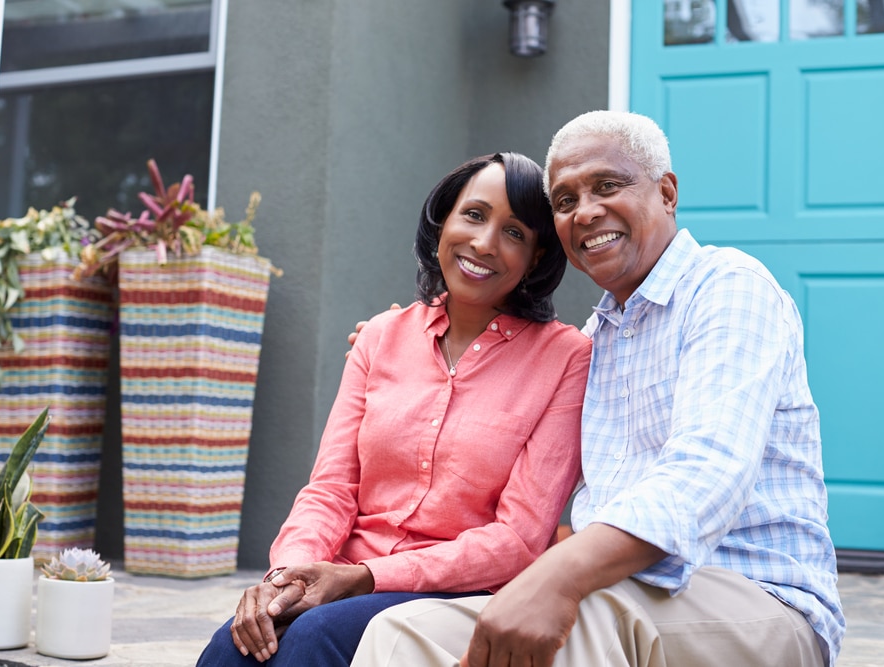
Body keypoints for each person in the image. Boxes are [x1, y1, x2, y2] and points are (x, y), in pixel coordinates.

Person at [350, 110, 846, 667]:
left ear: (666, 192)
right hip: (621, 589)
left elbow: (705, 474)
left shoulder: (728, 287)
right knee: (402, 633)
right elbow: (487, 413)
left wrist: (558, 577)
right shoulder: (594, 341)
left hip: (756, 596)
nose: (585, 212)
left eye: (607, 186)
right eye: (564, 201)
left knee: (582, 624)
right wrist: (407, 346)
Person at [195, 152, 591, 667]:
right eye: (473, 215)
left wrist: (366, 578)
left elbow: (517, 539)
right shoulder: (380, 337)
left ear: (537, 257)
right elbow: (332, 488)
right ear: (444, 219)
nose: (485, 243)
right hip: (344, 571)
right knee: (235, 643)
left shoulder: (565, 358)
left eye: (514, 233)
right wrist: (288, 576)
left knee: (315, 638)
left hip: (459, 590)